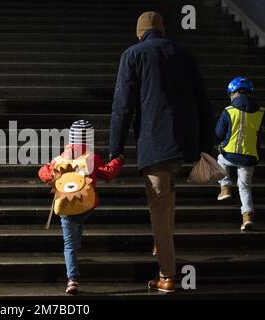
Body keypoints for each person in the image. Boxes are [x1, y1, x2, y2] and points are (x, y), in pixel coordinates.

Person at [109, 12, 214, 293]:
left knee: (158, 206)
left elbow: (122, 106)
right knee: (168, 196)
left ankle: (167, 275)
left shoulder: (133, 55)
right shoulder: (184, 53)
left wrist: (115, 150)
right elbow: (203, 100)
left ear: (139, 32)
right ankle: (162, 241)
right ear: (163, 30)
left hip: (156, 144)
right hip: (185, 145)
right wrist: (206, 146)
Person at [39, 120, 124, 295]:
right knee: (79, 220)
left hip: (65, 208)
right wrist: (119, 160)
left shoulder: (59, 160)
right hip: (87, 207)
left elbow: (43, 172)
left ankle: (72, 280)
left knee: (68, 244)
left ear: (70, 139)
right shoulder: (92, 158)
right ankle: (77, 247)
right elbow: (107, 172)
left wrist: (52, 178)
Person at [216, 77, 264, 231]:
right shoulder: (261, 112)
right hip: (250, 158)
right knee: (244, 187)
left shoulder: (228, 111)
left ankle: (225, 187)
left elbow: (218, 133)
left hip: (230, 154)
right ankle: (247, 217)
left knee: (220, 159)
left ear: (232, 93)